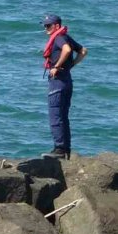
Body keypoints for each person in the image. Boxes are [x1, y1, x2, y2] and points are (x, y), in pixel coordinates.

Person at [40, 14, 88, 159]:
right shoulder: (66, 36)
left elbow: (67, 50)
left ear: (56, 26)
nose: (46, 28)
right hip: (66, 79)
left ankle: (59, 149)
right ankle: (65, 149)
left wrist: (57, 66)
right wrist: (72, 65)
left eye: (48, 26)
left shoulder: (59, 38)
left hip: (58, 79)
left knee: (55, 115)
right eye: (45, 26)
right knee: (63, 116)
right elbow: (83, 51)